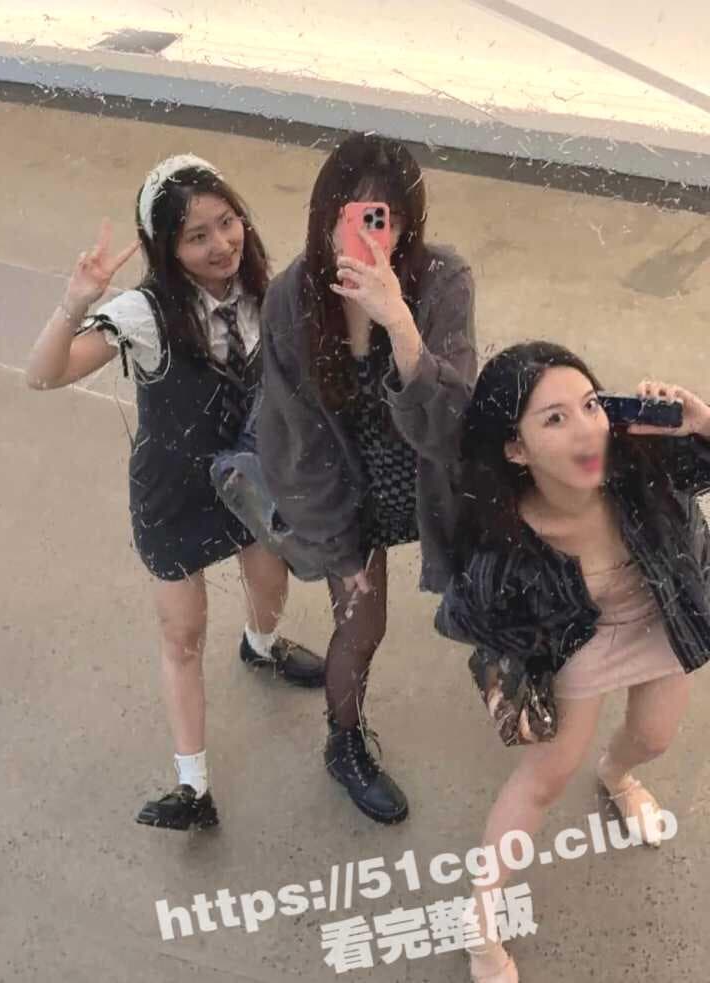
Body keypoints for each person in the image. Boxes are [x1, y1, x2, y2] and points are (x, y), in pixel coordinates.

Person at [27, 155, 323, 832]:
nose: (221, 244)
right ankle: (194, 787)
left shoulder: (264, 290)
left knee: (271, 581)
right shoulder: (142, 312)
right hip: (173, 491)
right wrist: (74, 303)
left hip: (249, 478)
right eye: (197, 235)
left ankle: (261, 645)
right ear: (167, 248)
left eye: (228, 222)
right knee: (182, 634)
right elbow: (44, 375)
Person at [436, 341, 710, 982]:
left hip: (661, 619)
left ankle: (617, 775)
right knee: (544, 779)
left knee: (655, 737)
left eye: (590, 405)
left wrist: (702, 424)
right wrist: (515, 682)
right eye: (555, 419)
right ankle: (480, 922)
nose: (588, 430)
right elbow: (469, 619)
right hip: (576, 645)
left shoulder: (641, 460)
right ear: (516, 449)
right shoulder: (504, 536)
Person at [258, 133, 477, 824]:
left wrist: (401, 326)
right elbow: (297, 442)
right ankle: (343, 740)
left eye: (385, 217)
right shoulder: (292, 298)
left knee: (491, 587)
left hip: (423, 475)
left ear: (407, 224)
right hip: (342, 485)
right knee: (361, 623)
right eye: (350, 215)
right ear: (325, 214)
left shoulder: (441, 280)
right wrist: (342, 549)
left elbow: (455, 424)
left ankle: (528, 682)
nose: (364, 233)